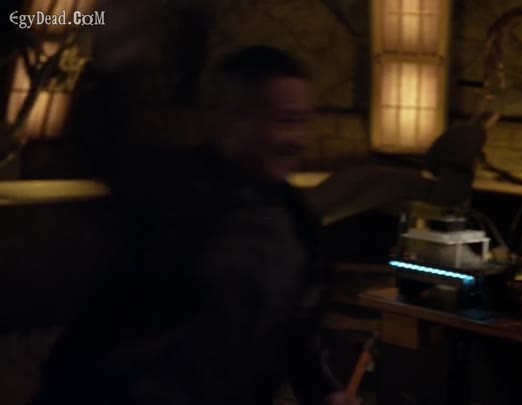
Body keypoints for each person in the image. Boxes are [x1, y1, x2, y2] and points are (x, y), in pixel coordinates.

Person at [31, 44, 358, 404]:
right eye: (285, 121)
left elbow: (296, 331)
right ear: (235, 119)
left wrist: (325, 392)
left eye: (303, 122)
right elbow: (104, 144)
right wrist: (118, 60)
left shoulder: (299, 224)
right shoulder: (168, 191)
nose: (298, 141)